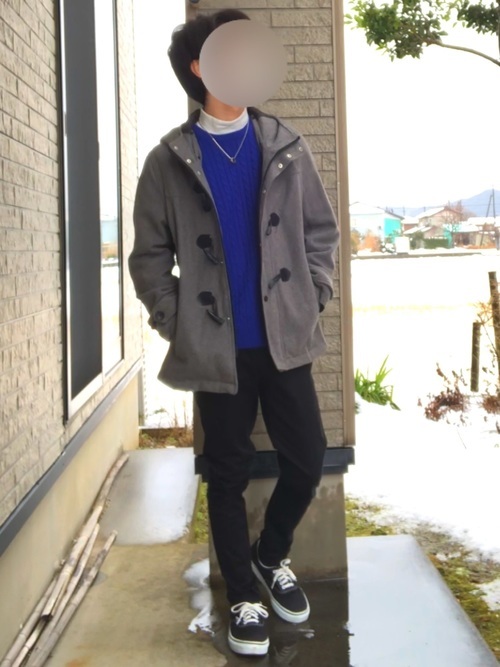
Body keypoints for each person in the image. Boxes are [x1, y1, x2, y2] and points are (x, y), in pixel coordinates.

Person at [129, 9, 340, 658]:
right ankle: (244, 594)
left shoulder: (285, 145)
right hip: (217, 349)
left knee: (307, 458)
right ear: (202, 67)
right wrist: (180, 321)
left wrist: (312, 298)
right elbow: (148, 259)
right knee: (225, 472)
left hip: (284, 340)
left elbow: (320, 234)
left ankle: (271, 553)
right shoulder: (168, 160)